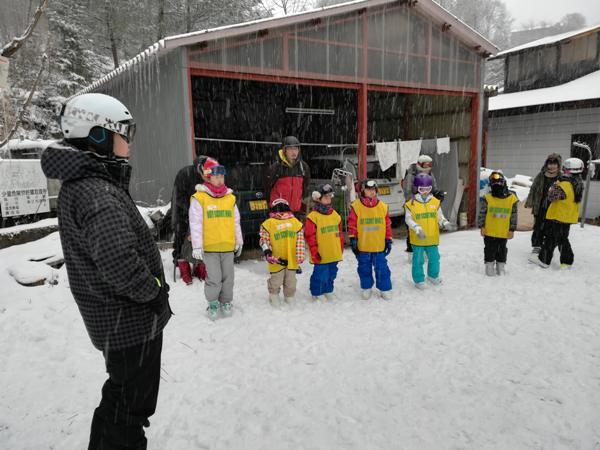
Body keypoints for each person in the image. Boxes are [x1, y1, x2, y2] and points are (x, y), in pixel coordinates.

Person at [40, 93, 171, 450]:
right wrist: (155, 289)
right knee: (129, 410)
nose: (128, 143)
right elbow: (120, 265)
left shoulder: (88, 184)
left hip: (117, 323)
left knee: (120, 398)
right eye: (123, 134)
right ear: (98, 135)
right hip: (129, 324)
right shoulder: (96, 191)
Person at [189, 157, 243, 320]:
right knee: (214, 278)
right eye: (216, 176)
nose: (220, 180)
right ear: (207, 177)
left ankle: (226, 301)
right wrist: (197, 246)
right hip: (210, 248)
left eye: (222, 176)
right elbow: (195, 224)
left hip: (227, 246)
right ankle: (212, 302)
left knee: (228, 278)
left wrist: (238, 241)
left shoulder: (230, 198)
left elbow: (236, 222)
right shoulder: (199, 198)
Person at [530, 157, 584, 269]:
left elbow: (551, 197)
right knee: (556, 239)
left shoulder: (564, 185)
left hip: (558, 217)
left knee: (556, 240)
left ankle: (559, 261)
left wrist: (553, 187)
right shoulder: (578, 184)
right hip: (567, 217)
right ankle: (552, 260)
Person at [404, 173, 453, 289]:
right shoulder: (410, 204)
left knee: (435, 258)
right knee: (418, 260)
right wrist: (416, 228)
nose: (425, 191)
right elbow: (408, 219)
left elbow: (439, 216)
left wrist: (444, 223)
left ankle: (433, 276)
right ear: (416, 189)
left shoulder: (435, 202)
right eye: (422, 189)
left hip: (432, 238)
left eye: (428, 189)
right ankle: (419, 280)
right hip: (418, 239)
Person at [348, 180, 393, 300]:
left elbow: (387, 224)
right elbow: (352, 225)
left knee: (382, 268)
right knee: (364, 268)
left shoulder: (383, 206)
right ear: (363, 191)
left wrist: (388, 239)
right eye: (368, 189)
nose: (371, 192)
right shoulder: (356, 206)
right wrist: (353, 239)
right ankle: (366, 287)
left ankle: (384, 288)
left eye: (373, 190)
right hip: (363, 246)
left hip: (378, 245)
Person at [259, 198, 305, 306]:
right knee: (276, 279)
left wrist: (300, 254)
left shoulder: (295, 222)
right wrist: (267, 251)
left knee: (291, 281)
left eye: (283, 208)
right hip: (276, 259)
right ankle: (273, 294)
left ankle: (289, 295)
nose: (281, 211)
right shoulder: (268, 223)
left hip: (291, 259)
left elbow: (300, 239)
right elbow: (264, 239)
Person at [171, 155, 209, 284]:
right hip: (182, 212)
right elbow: (178, 196)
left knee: (200, 240)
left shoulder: (208, 176)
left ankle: (199, 267)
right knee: (182, 241)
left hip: (201, 214)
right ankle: (184, 269)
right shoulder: (185, 174)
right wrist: (191, 209)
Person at [305, 184, 344, 301]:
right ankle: (317, 292)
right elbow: (310, 237)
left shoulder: (335, 215)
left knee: (332, 273)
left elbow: (340, 234)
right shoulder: (313, 217)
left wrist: (340, 248)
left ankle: (328, 290)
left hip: (333, 252)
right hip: (321, 254)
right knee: (320, 274)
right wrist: (314, 252)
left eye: (330, 197)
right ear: (318, 198)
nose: (329, 199)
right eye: (326, 197)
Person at [478, 171, 518, 276]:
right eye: (494, 184)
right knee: (489, 250)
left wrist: (512, 229)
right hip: (489, 231)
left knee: (502, 250)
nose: (497, 186)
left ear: (503, 183)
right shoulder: (487, 198)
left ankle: (501, 266)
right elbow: (482, 213)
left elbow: (514, 215)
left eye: (499, 183)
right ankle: (489, 265)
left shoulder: (511, 199)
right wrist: (482, 226)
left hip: (503, 231)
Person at [402, 154, 443, 253]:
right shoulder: (411, 175)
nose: (427, 169)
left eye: (429, 166)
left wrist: (437, 194)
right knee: (413, 227)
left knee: (427, 226)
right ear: (419, 165)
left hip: (427, 204)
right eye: (425, 166)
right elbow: (407, 192)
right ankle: (412, 251)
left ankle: (428, 248)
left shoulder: (430, 174)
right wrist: (417, 198)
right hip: (413, 204)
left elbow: (433, 188)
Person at [265, 136, 311, 220]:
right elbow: (267, 188)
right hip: (278, 212)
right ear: (284, 150)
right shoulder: (276, 167)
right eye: (290, 149)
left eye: (296, 149)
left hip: (295, 212)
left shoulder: (303, 167)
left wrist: (298, 202)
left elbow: (305, 187)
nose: (294, 152)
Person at [524, 153, 562, 255]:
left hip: (553, 207)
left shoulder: (561, 177)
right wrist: (530, 202)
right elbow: (533, 189)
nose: (552, 166)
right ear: (547, 164)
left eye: (554, 163)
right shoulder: (541, 175)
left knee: (550, 227)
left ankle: (546, 247)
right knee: (538, 226)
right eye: (550, 163)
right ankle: (537, 246)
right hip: (540, 206)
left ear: (558, 165)